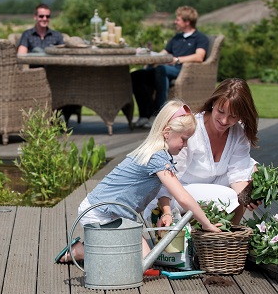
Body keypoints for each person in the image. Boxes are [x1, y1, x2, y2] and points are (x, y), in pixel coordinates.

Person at [55, 99, 221, 264]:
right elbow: (182, 197)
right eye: (183, 139)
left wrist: (167, 212)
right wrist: (207, 224)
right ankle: (82, 250)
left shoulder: (158, 153)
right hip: (100, 213)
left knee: (144, 260)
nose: (185, 145)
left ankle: (101, 245)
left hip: (119, 216)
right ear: (167, 132)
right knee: (137, 261)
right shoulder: (157, 157)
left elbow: (166, 190)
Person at [151, 78, 261, 229]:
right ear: (213, 103)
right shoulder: (191, 129)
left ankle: (225, 238)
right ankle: (213, 233)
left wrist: (249, 196)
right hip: (180, 192)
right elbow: (168, 176)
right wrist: (166, 211)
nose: (224, 120)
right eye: (220, 112)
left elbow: (238, 176)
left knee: (252, 168)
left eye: (233, 116)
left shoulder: (238, 133)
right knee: (229, 197)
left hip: (214, 189)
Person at [131, 6, 209, 129]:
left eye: (178, 19)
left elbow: (199, 57)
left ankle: (158, 116)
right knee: (136, 75)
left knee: (161, 70)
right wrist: (148, 54)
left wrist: (177, 60)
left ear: (187, 22)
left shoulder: (200, 38)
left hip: (183, 70)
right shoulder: (176, 38)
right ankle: (144, 116)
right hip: (166, 69)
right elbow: (163, 53)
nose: (175, 21)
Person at [16, 3, 81, 122]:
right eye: (41, 16)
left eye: (47, 16)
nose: (44, 19)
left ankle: (59, 112)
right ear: (35, 17)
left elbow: (64, 56)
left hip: (55, 75)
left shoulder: (56, 36)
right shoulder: (28, 35)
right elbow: (21, 56)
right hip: (33, 75)